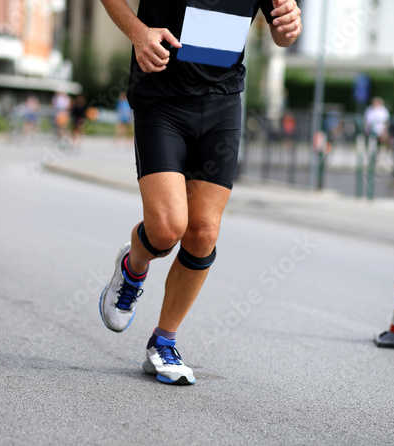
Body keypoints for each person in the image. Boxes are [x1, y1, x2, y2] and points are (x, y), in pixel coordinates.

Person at [99, 0, 302, 385]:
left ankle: (164, 341)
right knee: (166, 230)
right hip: (162, 99)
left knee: (204, 231)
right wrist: (137, 32)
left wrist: (290, 25)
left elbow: (282, 28)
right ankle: (132, 266)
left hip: (222, 102)